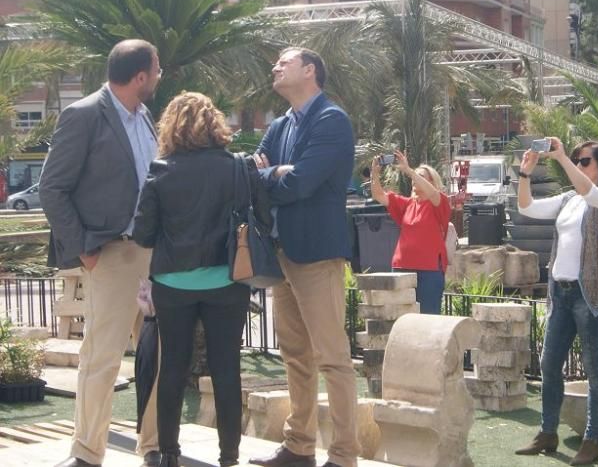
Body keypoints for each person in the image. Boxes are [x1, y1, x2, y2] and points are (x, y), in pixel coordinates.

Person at [39, 39, 162, 467]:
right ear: (140, 76)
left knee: (156, 356)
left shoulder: (147, 118)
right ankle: (87, 453)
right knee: (102, 359)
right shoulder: (85, 114)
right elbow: (51, 188)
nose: (160, 77)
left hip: (151, 256)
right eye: (157, 70)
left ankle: (154, 447)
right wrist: (86, 250)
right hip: (109, 256)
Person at [132, 92, 271, 467]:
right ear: (216, 124)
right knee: (227, 367)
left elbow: (143, 234)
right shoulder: (239, 167)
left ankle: (170, 455)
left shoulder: (160, 170)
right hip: (228, 279)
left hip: (173, 284)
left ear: (171, 126)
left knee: (173, 368)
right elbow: (265, 220)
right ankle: (229, 457)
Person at [250, 48, 360, 467]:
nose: (274, 66)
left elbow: (301, 183)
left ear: (310, 71)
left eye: (284, 62)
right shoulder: (280, 125)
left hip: (315, 254)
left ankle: (344, 455)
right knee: (295, 355)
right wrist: (271, 173)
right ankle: (299, 447)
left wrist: (274, 173)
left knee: (332, 357)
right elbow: (251, 175)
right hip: (280, 254)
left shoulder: (331, 120)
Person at [514, 138, 598, 466]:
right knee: (549, 365)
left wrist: (561, 157)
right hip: (560, 294)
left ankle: (592, 439)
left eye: (584, 160)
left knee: (594, 370)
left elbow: (591, 192)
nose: (578, 163)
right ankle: (548, 432)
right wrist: (524, 174)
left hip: (590, 295)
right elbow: (526, 208)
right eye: (576, 159)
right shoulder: (568, 199)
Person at [369, 151, 452, 314]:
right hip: (402, 267)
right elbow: (378, 195)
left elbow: (434, 195)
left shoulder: (439, 203)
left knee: (427, 318)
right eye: (415, 177)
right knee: (401, 318)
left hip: (429, 271)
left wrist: (409, 170)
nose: (414, 179)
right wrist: (375, 173)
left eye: (421, 176)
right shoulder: (407, 204)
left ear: (431, 182)